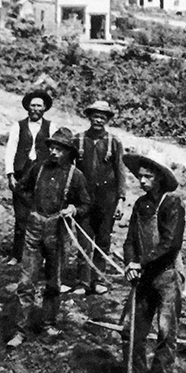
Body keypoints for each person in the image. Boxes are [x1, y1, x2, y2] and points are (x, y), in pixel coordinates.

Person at [106, 155, 186, 373]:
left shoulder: (172, 205)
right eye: (139, 176)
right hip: (142, 277)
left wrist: (139, 263)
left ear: (159, 178)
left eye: (147, 176)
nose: (141, 180)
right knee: (131, 329)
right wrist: (130, 262)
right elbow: (130, 240)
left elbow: (170, 244)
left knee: (165, 331)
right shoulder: (141, 204)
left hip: (166, 276)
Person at [7, 128, 91, 349]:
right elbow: (20, 189)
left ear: (67, 152)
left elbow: (86, 204)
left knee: (54, 282)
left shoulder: (76, 176)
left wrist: (73, 208)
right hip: (34, 229)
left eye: (59, 149)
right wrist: (31, 212)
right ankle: (20, 330)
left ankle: (48, 324)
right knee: (26, 282)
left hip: (58, 231)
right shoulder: (38, 168)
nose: (54, 152)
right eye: (52, 147)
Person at [70, 100, 126, 296]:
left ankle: (98, 279)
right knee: (84, 240)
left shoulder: (114, 142)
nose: (99, 119)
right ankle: (82, 282)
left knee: (103, 240)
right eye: (95, 115)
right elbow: (69, 171)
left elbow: (120, 172)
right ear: (89, 117)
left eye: (103, 116)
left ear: (108, 119)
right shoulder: (77, 140)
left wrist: (120, 200)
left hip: (107, 200)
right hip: (83, 200)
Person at [4, 89, 57, 266]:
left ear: (44, 108)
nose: (35, 109)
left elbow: (55, 152)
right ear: (27, 107)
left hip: (42, 175)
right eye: (32, 105)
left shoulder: (51, 127)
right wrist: (10, 174)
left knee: (41, 215)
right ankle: (16, 255)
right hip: (22, 174)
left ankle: (39, 257)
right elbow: (10, 150)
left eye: (39, 106)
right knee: (21, 217)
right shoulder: (18, 126)